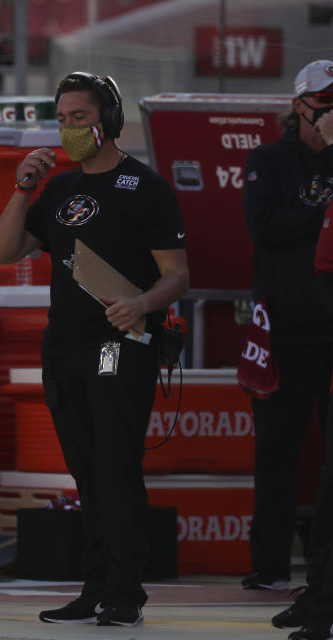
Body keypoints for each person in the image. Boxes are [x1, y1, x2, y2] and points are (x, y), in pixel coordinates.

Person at [0, 71, 189, 626]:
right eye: (61, 119)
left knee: (115, 466)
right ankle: (95, 586)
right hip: (65, 347)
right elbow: (6, 251)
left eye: (78, 117)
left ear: (107, 120)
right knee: (83, 470)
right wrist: (22, 187)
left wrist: (143, 304)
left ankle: (125, 592)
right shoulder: (57, 188)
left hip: (119, 344)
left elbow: (178, 275)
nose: (69, 129)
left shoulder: (144, 186)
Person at [241, 59, 333, 593]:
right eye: (323, 101)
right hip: (285, 331)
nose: (329, 112)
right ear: (298, 105)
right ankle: (271, 565)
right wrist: (324, 217)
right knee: (276, 452)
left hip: (332, 331)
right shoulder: (269, 159)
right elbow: (263, 227)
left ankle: (324, 572)